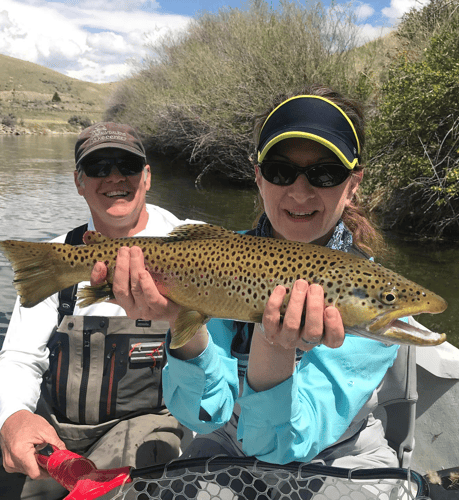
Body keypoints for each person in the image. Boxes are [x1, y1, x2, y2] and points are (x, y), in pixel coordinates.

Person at [90, 87, 400, 469]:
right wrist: (179, 320)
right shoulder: (222, 261)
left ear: (353, 184)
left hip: (341, 455)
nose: (300, 192)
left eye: (325, 173)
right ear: (258, 177)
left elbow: (280, 446)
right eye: (280, 171)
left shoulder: (373, 293)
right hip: (226, 444)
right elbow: (202, 415)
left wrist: (276, 346)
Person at [0, 122, 200, 499]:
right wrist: (14, 416)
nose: (114, 177)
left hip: (148, 429)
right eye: (98, 167)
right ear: (79, 181)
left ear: (147, 176)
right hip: (57, 433)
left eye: (126, 165)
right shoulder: (59, 256)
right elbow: (21, 357)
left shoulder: (195, 241)